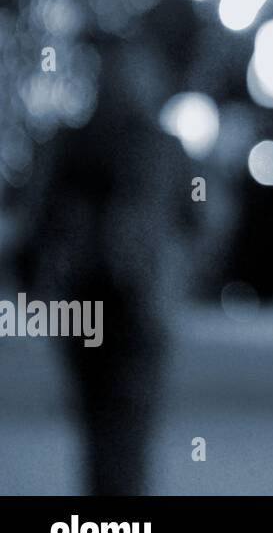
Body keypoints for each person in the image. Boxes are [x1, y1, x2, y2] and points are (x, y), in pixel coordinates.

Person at [20, 36, 193, 494]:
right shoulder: (164, 148)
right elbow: (201, 219)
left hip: (83, 297)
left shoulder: (70, 143)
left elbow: (37, 222)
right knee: (129, 420)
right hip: (142, 295)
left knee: (96, 419)